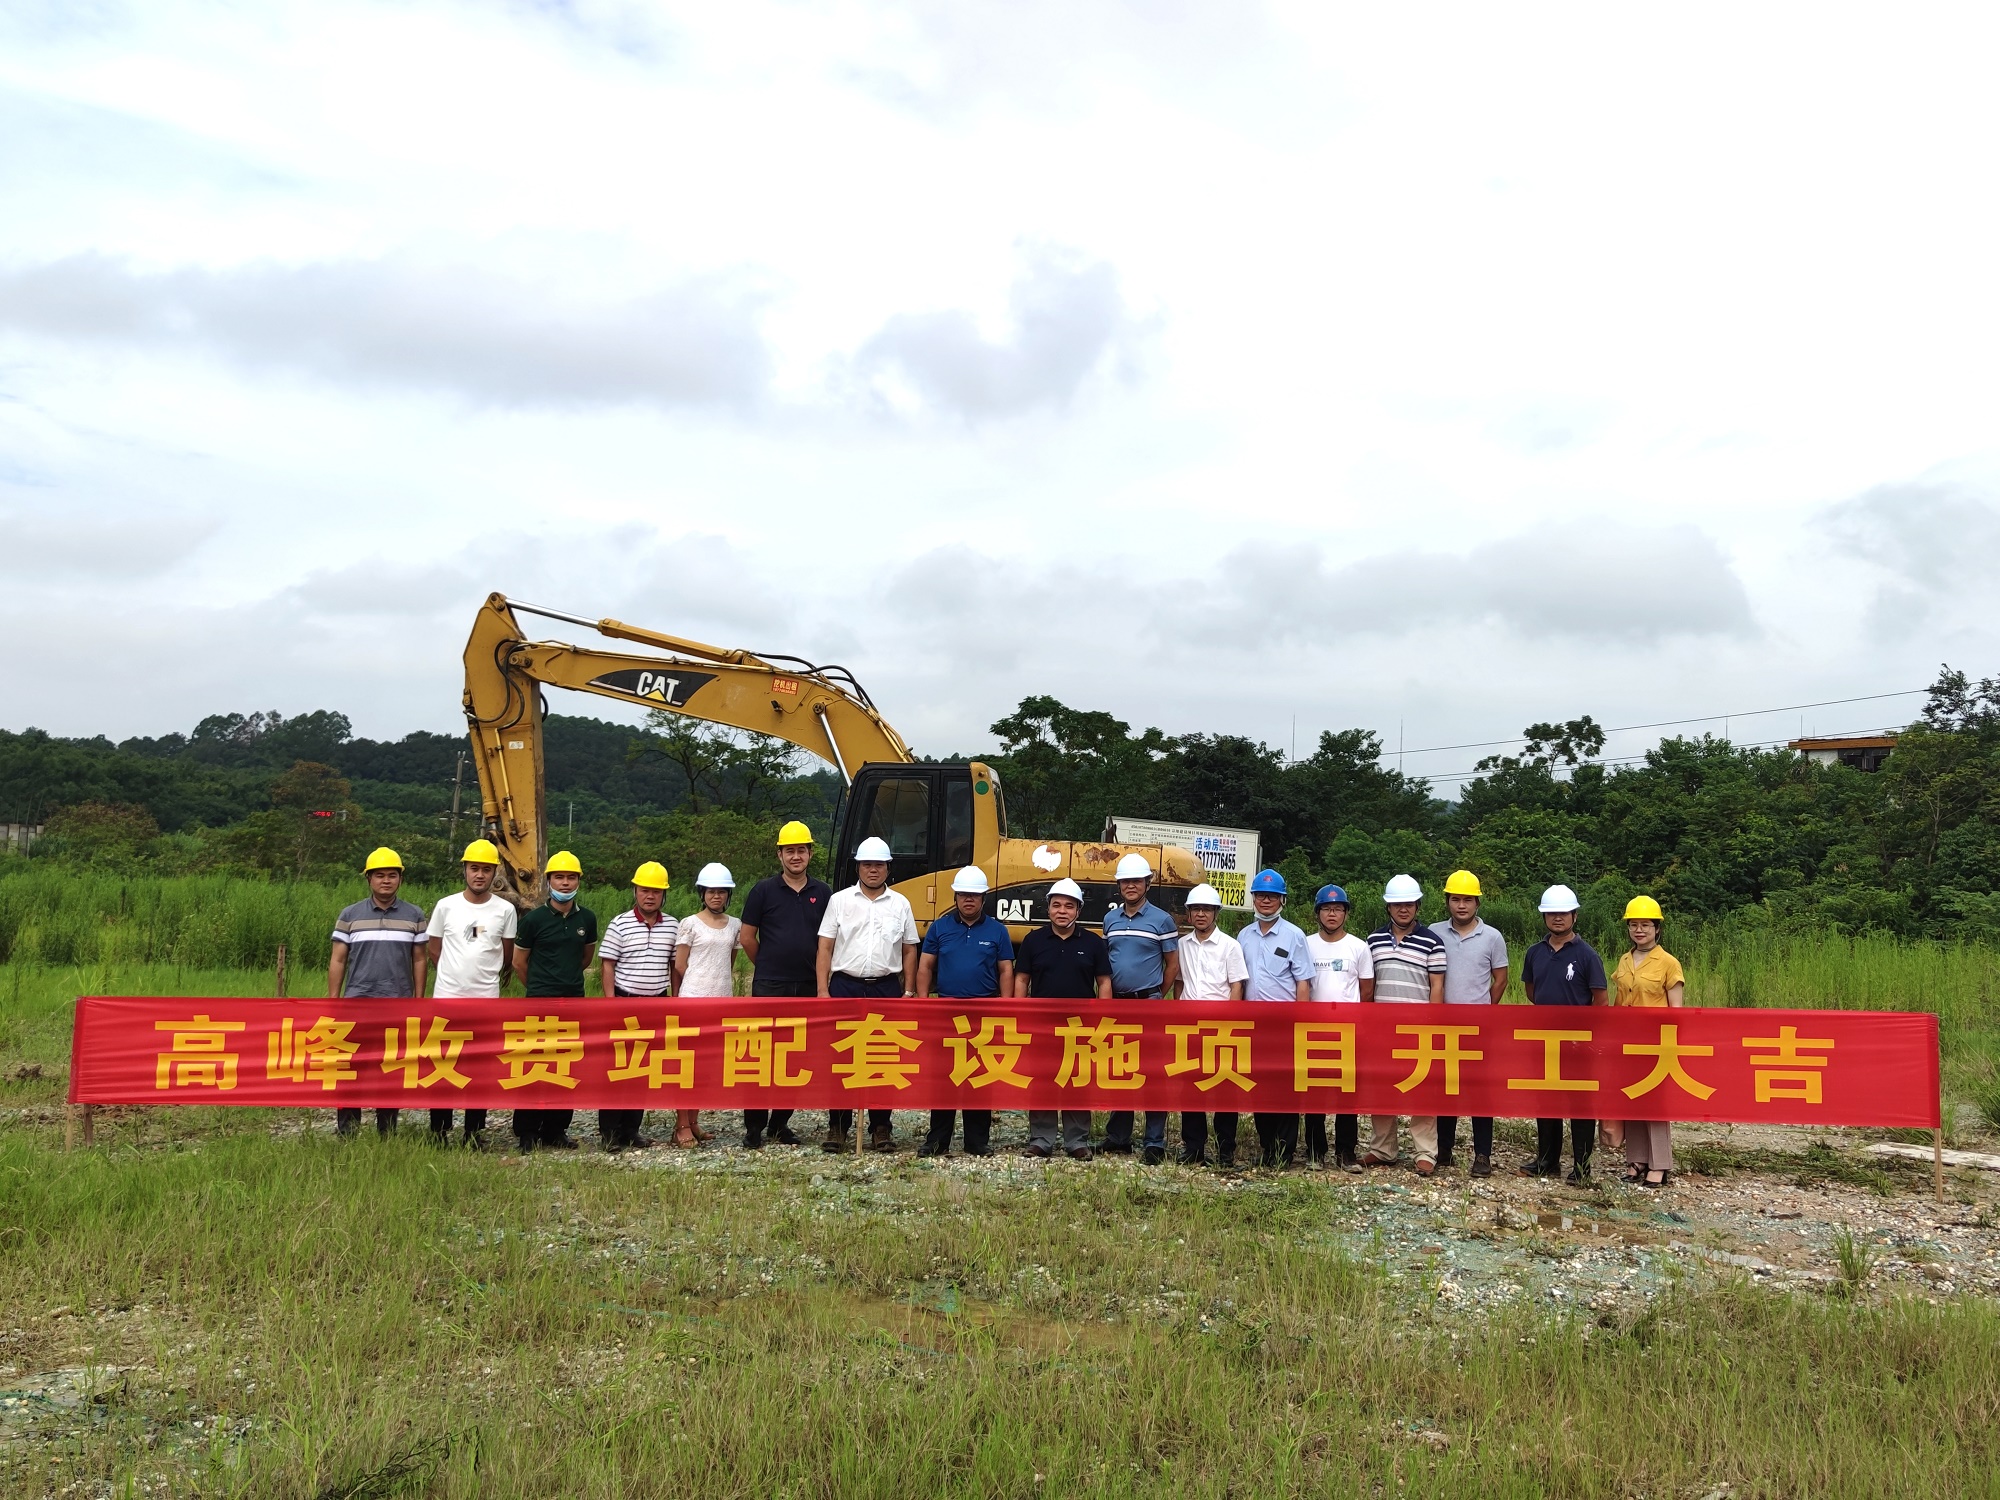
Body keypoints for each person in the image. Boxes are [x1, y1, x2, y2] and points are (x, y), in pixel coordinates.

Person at [816, 835, 919, 1152]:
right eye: (866, 864)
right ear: (858, 867)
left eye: (879, 864)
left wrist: (909, 989)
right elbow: (825, 946)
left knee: (883, 1056)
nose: (872, 870)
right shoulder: (840, 901)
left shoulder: (901, 903)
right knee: (842, 1057)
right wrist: (822, 989)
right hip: (845, 984)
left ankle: (881, 1127)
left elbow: (909, 949)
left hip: (885, 987)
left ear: (888, 867)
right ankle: (838, 1126)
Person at [738, 821, 831, 1149]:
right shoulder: (763, 890)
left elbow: (827, 941)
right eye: (789, 850)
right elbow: (747, 937)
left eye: (801, 850)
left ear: (809, 854)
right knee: (762, 1057)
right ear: (779, 854)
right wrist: (767, 965)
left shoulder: (823, 893)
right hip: (770, 986)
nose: (796, 856)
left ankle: (779, 1125)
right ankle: (753, 1128)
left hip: (807, 985)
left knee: (795, 1059)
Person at [327, 846, 428, 1138]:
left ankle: (388, 1129)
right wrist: (334, 1001)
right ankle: (347, 1129)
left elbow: (419, 959)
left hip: (397, 1004)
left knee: (391, 1068)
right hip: (356, 1003)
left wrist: (418, 1000)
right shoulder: (350, 915)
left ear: (400, 879)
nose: (386, 881)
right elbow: (338, 959)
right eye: (380, 875)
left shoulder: (415, 915)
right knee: (350, 1067)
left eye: (392, 875)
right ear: (369, 879)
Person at [423, 838, 518, 1148]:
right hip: (447, 999)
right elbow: (434, 950)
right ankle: (439, 1131)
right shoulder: (445, 906)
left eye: (486, 870)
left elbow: (506, 955)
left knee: (479, 1068)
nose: (480, 875)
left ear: (495, 874)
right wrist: (454, 975)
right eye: (474, 869)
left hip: (486, 1002)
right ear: (464, 869)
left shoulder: (504, 910)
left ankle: (474, 1132)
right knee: (443, 1065)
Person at [915, 866, 1015, 1157]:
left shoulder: (997, 930)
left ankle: (977, 1141)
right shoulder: (940, 927)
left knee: (980, 1077)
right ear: (956, 897)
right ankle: (937, 1140)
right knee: (945, 1077)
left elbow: (1006, 969)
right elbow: (925, 966)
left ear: (983, 898)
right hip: (947, 1012)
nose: (968, 900)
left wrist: (1006, 1007)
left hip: (984, 1011)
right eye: (962, 895)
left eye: (974, 896)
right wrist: (923, 1002)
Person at [1014, 877, 1111, 1160]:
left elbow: (1104, 983)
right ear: (1048, 909)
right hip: (1041, 1026)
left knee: (1077, 1080)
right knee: (1042, 1079)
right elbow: (1021, 980)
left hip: (1080, 1026)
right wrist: (1020, 1016)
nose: (1062, 911)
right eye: (1056, 905)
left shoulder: (1093, 943)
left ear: (1078, 911)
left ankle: (1076, 1140)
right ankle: (1041, 1139)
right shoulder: (1033, 940)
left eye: (1069, 906)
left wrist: (1103, 1021)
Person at [1517, 883, 1607, 1184]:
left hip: (1577, 1043)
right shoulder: (1534, 953)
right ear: (1544, 917)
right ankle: (1547, 1160)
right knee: (1546, 1101)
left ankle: (1582, 1167)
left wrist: (1585, 1033)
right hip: (1544, 1040)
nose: (1558, 918)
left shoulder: (1586, 955)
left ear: (1575, 916)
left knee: (1579, 1104)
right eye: (1551, 913)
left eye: (1564, 913)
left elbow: (1600, 999)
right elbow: (1532, 991)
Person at [510, 850, 598, 1153]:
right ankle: (526, 1131)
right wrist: (539, 987)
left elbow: (585, 958)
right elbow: (519, 962)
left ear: (578, 881)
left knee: (566, 1064)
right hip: (538, 1002)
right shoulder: (534, 919)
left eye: (570, 877)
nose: (564, 882)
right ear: (549, 881)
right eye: (559, 877)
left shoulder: (586, 918)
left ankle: (556, 1129)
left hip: (573, 1001)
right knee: (533, 1064)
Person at [1361, 874, 1447, 1175]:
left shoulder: (1432, 942)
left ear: (1418, 906)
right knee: (1382, 1088)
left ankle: (1425, 1152)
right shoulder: (1373, 940)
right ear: (1388, 907)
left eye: (1409, 904)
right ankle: (1383, 1149)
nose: (1403, 909)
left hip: (1418, 1028)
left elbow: (1437, 986)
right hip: (1382, 1029)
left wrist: (1432, 1023)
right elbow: (1368, 985)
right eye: (1397, 905)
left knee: (1422, 1088)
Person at [1099, 853, 1181, 1163]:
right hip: (1118, 1004)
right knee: (1121, 1070)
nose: (1130, 886)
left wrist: (1156, 995)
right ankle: (1118, 1137)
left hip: (1149, 1003)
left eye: (1137, 880)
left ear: (1147, 883)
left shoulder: (1161, 919)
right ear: (1119, 885)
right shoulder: (1110, 920)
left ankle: (1154, 1142)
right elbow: (1108, 960)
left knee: (1152, 1072)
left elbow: (1172, 963)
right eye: (1125, 881)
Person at [1429, 870, 1508, 1178]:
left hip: (1478, 1027)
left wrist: (1484, 1009)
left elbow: (1500, 980)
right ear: (1447, 901)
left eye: (1467, 900)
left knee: (1479, 1091)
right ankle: (1444, 1149)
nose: (1461, 905)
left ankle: (1483, 1154)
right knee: (1445, 1088)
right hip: (1443, 1025)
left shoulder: (1492, 937)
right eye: (1455, 899)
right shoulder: (1434, 932)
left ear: (1477, 903)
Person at [596, 861, 677, 1153]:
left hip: (655, 1003)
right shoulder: (619, 923)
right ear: (635, 891)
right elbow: (607, 965)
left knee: (643, 1069)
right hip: (623, 1002)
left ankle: (631, 1130)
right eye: (645, 890)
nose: (650, 896)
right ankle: (609, 1132)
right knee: (617, 1069)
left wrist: (674, 1001)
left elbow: (674, 967)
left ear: (663, 895)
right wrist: (610, 1003)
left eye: (656, 891)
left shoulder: (673, 926)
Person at [1237, 868, 1314, 1169]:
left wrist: (1302, 1023)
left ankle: (1285, 1151)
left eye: (1271, 896)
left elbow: (1304, 982)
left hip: (1285, 1025)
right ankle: (1267, 1146)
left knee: (1285, 1088)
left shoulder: (1294, 936)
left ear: (1282, 899)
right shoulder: (1244, 936)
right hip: (1253, 1026)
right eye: (1260, 895)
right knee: (1259, 1088)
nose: (1265, 901)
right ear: (1253, 899)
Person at [1172, 882, 1247, 1167]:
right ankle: (1194, 1148)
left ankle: (1225, 1150)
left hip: (1221, 1026)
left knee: (1224, 1088)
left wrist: (1232, 1021)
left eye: (1206, 909)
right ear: (1189, 914)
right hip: (1189, 1026)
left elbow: (1236, 986)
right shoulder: (1182, 945)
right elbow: (1179, 983)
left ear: (1216, 913)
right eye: (1195, 910)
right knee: (1190, 1088)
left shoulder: (1230, 946)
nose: (1201, 914)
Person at [1614, 895, 1686, 1188]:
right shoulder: (1624, 960)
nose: (1639, 930)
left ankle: (1659, 1164)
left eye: (1645, 924)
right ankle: (1637, 1160)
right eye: (1634, 924)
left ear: (1657, 928)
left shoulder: (1668, 963)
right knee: (1632, 1100)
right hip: (1627, 1042)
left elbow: (1676, 1011)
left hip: (1656, 1043)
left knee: (1655, 1104)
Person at [1304, 883, 1373, 1172]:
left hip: (1348, 1030)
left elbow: (1366, 990)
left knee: (1347, 1095)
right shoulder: (1305, 944)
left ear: (1346, 913)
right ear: (1317, 913)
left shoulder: (1359, 947)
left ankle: (1346, 1152)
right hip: (1313, 1030)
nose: (1332, 914)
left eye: (1338, 909)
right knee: (1313, 1093)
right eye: (1327, 909)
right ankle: (1315, 1151)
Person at [672, 863, 742, 1148]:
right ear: (702, 893)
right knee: (686, 1064)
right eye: (711, 891)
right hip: (693, 999)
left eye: (722, 892)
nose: (717, 897)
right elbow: (680, 964)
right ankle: (681, 1125)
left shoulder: (736, 925)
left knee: (706, 1065)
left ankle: (695, 1121)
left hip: (721, 999)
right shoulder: (689, 923)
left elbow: (731, 961)